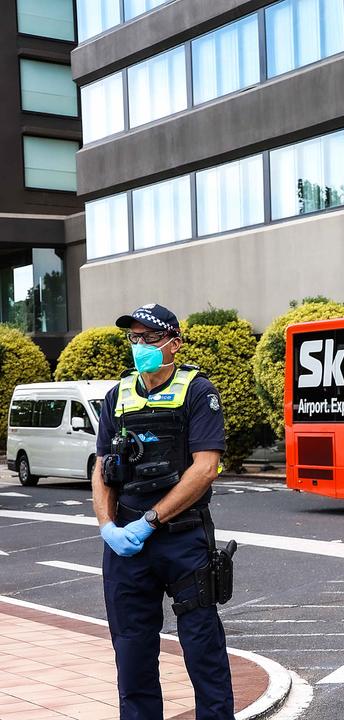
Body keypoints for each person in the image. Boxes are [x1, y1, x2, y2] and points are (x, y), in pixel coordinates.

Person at [90, 303, 234, 719]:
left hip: (182, 539)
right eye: (134, 339)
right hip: (126, 547)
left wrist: (150, 521)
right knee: (131, 657)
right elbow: (102, 467)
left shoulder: (197, 392)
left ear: (174, 344)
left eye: (150, 339)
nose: (140, 347)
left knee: (203, 650)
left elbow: (205, 467)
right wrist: (107, 527)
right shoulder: (117, 397)